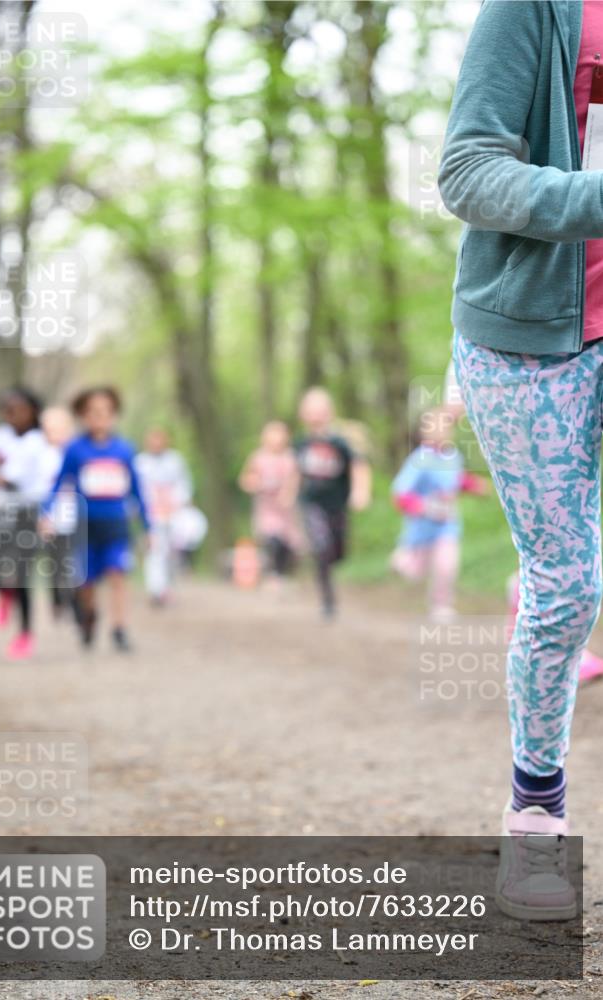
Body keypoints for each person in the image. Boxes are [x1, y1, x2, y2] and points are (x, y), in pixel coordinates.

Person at [439, 0, 603, 919]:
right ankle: (535, 817)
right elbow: (466, 173)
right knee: (568, 579)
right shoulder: (528, 9)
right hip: (526, 338)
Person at [41, 387, 149, 652]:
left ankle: (119, 629)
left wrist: (148, 526)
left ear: (113, 415)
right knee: (86, 582)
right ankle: (89, 616)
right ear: (83, 415)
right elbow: (59, 484)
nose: (99, 416)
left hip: (116, 525)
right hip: (85, 527)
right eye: (93, 411)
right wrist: (46, 514)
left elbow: (137, 490)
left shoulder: (124, 449)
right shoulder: (75, 449)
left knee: (118, 575)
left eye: (105, 411)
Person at [390, 407, 487, 621]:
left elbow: (457, 480)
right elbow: (400, 493)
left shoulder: (453, 457)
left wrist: (474, 485)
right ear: (423, 432)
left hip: (447, 525)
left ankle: (441, 605)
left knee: (447, 565)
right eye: (434, 427)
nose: (440, 431)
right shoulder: (418, 460)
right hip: (421, 527)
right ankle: (401, 560)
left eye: (445, 427)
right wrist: (420, 507)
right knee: (414, 572)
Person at [0, 387, 45, 660]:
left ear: (32, 411)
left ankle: (25, 635)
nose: (13, 415)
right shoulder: (1, 435)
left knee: (22, 573)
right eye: (8, 410)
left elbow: (17, 478)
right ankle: (4, 593)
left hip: (29, 512)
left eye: (19, 409)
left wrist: (0, 477)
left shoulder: (37, 441)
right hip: (1, 510)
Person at [295, 388, 370, 618]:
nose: (316, 415)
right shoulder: (300, 444)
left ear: (330, 413)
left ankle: (330, 558)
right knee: (321, 547)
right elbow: (293, 471)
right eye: (311, 410)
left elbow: (359, 466)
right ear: (303, 414)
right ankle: (328, 600)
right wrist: (288, 494)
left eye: (320, 410)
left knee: (337, 551)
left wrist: (360, 491)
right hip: (311, 503)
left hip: (337, 504)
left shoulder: (340, 442)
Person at [239, 421, 301, 587]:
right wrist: (254, 484)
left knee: (288, 544)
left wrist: (288, 494)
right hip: (267, 508)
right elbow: (246, 479)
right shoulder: (258, 458)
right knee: (272, 539)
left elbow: (295, 479)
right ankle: (274, 574)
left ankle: (282, 572)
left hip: (286, 510)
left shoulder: (290, 457)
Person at [135, 429, 192, 605]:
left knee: (170, 552)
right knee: (154, 551)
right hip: (151, 515)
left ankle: (167, 587)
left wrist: (178, 503)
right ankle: (156, 589)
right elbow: (137, 490)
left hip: (173, 513)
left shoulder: (175, 461)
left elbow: (184, 484)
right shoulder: (140, 463)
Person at [39, 407, 79, 620]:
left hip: (75, 518)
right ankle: (57, 601)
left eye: (60, 429)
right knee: (56, 564)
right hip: (52, 520)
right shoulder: (42, 457)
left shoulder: (76, 453)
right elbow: (39, 491)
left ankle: (75, 604)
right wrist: (43, 517)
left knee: (75, 564)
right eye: (50, 429)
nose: (55, 434)